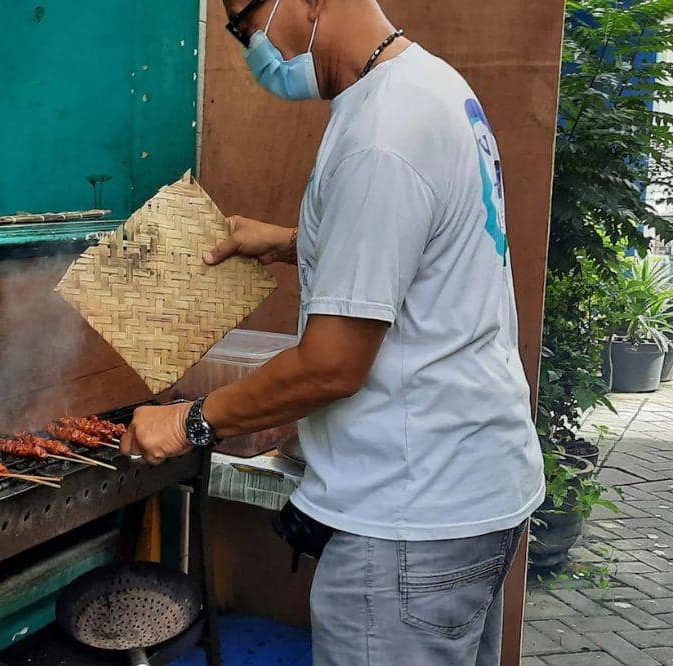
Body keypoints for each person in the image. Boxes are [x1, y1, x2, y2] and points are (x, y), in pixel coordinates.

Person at [119, 0, 545, 663]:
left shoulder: (383, 132)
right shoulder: (426, 86)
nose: (247, 44)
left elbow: (332, 366)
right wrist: (293, 241)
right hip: (471, 490)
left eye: (245, 19)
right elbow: (419, 244)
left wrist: (190, 422)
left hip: (411, 519)